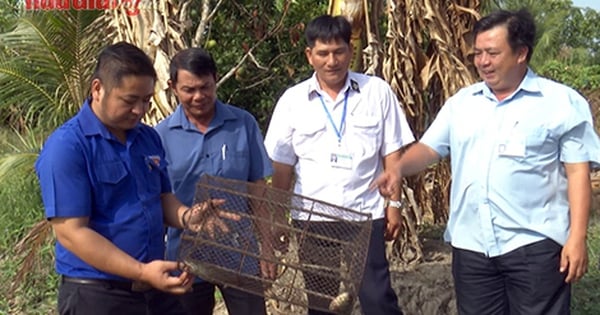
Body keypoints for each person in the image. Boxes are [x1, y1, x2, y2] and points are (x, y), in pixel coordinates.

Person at [374, 9, 600, 315]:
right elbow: (428, 148)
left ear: (521, 53)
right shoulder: (462, 104)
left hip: (535, 246)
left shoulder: (560, 103)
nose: (482, 61)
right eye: (478, 53)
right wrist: (398, 168)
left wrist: (577, 238)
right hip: (472, 247)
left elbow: (577, 173)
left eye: (492, 53)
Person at [34, 42, 236, 315]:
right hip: (98, 295)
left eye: (146, 100)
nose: (140, 110)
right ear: (98, 89)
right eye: (130, 101)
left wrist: (188, 217)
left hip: (154, 290)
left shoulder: (147, 137)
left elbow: (162, 198)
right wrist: (141, 271)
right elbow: (72, 233)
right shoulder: (68, 146)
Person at [264, 14, 414, 315]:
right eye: (323, 53)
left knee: (377, 297)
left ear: (351, 50)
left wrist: (394, 205)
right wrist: (277, 217)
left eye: (339, 51)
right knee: (321, 302)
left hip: (365, 213)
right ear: (310, 56)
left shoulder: (377, 92)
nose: (332, 61)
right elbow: (281, 166)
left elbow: (393, 153)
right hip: (313, 217)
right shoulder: (292, 101)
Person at [155, 47, 274, 315]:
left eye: (205, 87)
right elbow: (157, 200)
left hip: (241, 256)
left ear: (215, 80)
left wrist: (266, 246)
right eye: (189, 89)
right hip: (185, 259)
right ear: (173, 87)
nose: (199, 96)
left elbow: (259, 192)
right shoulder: (159, 137)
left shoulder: (243, 124)